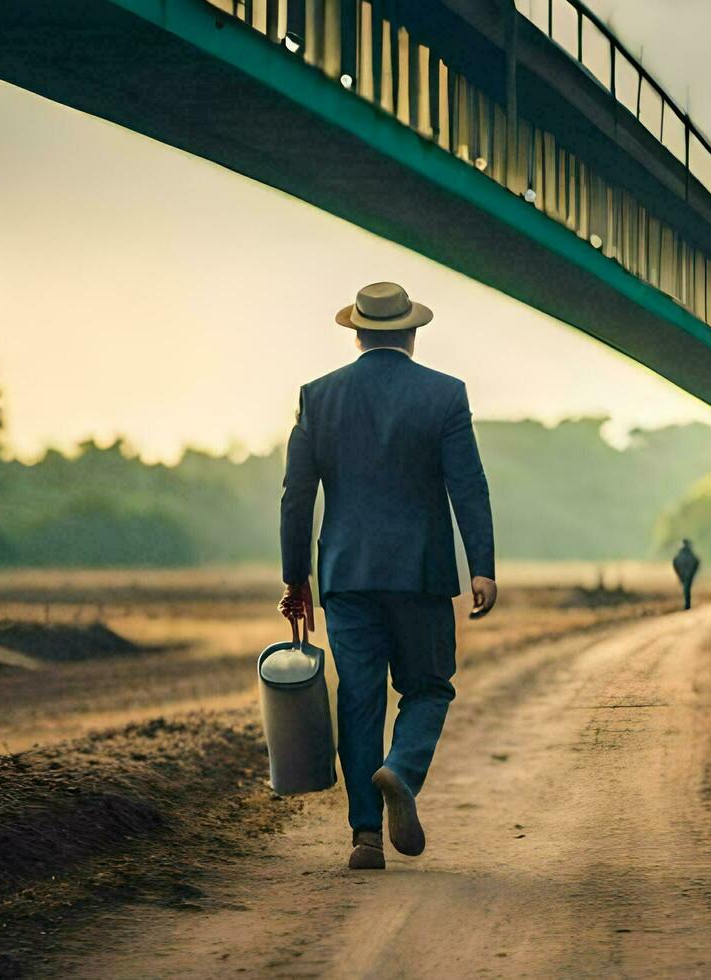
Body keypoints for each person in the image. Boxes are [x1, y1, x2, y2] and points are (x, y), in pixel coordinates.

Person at [278, 281, 497, 871]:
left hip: (346, 576)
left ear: (356, 332)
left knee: (360, 696)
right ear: (413, 332)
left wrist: (295, 580)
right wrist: (482, 567)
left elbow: (297, 496)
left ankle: (365, 837)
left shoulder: (317, 396)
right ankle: (399, 771)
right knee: (427, 688)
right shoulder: (444, 395)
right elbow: (467, 486)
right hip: (421, 574)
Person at [672, 539, 700, 610]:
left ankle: (687, 604)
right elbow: (696, 562)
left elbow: (675, 563)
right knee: (687, 588)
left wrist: (679, 574)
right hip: (688, 572)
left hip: (683, 572)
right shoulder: (691, 554)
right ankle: (687, 603)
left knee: (686, 588)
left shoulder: (680, 553)